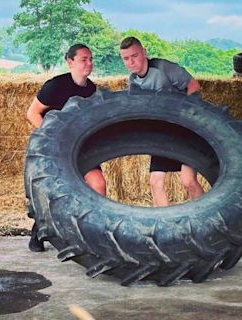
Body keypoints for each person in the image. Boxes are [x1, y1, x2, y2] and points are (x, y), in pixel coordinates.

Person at [26, 44, 106, 252]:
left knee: (98, 185)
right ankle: (38, 232)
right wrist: (53, 136)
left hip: (83, 147)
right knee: (57, 194)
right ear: (70, 62)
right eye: (83, 59)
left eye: (90, 59)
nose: (89, 63)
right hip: (57, 148)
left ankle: (92, 233)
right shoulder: (54, 86)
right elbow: (32, 113)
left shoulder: (92, 90)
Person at [119, 36, 204, 207]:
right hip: (163, 135)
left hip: (185, 131)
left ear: (144, 53)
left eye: (134, 56)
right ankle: (165, 225)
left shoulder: (163, 67)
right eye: (126, 59)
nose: (130, 62)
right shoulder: (133, 81)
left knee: (188, 181)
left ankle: (207, 221)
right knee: (155, 182)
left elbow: (194, 86)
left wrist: (185, 115)